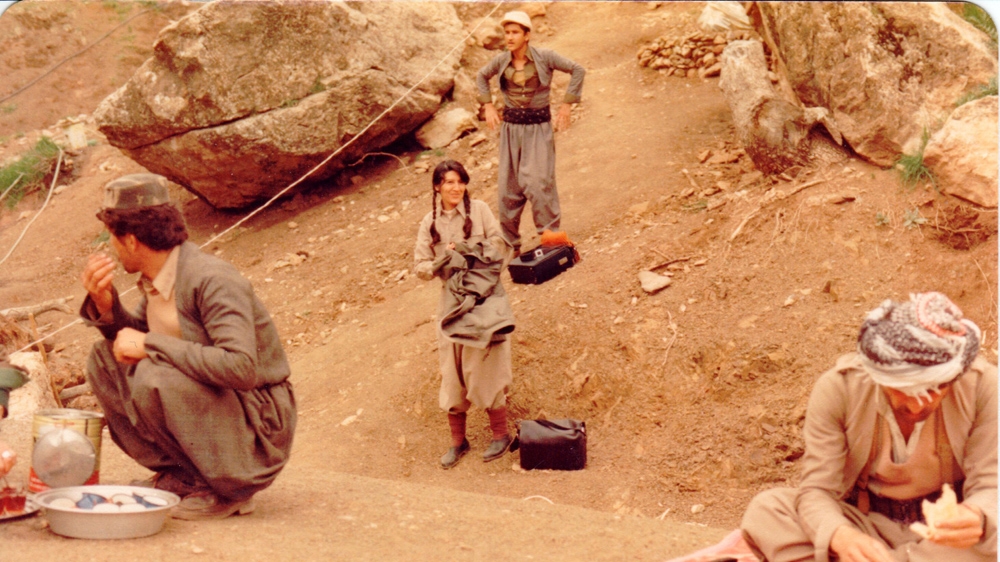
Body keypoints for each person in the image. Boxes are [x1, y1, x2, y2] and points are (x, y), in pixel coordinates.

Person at [79, 173, 296, 520]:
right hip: (222, 407)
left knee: (154, 372)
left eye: (112, 238)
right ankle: (184, 475)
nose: (111, 246)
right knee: (104, 358)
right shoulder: (160, 275)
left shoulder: (211, 278)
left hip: (259, 423)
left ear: (131, 241)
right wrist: (106, 306)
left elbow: (241, 367)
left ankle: (227, 487)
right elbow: (132, 339)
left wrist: (150, 344)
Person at [741, 292, 996, 562]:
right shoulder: (840, 388)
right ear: (878, 375)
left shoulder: (984, 387)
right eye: (904, 390)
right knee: (768, 511)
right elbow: (818, 491)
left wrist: (975, 517)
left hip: (944, 539)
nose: (916, 406)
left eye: (935, 389)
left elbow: (992, 486)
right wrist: (841, 535)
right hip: (867, 525)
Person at [414, 160, 516, 468]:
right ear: (437, 187)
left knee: (486, 363)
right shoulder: (429, 222)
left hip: (485, 298)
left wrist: (470, 250)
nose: (455, 188)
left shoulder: (481, 210)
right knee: (452, 367)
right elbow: (419, 266)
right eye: (448, 182)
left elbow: (501, 245)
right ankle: (458, 441)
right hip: (450, 303)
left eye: (460, 181)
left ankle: (501, 434)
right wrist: (439, 262)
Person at [475, 10, 585, 254]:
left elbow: (577, 70)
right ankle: (511, 245)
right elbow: (481, 76)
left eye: (515, 32)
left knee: (538, 184)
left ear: (526, 35)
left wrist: (566, 104)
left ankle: (552, 240)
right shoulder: (501, 60)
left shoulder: (545, 57)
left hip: (538, 130)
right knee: (508, 189)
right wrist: (488, 105)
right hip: (511, 131)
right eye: (507, 32)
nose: (510, 37)